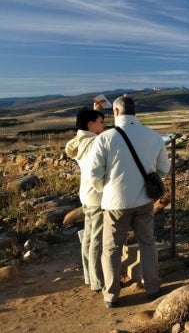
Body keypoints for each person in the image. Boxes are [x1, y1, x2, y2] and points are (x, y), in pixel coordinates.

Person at [88, 95, 170, 308]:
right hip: (144, 200)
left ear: (115, 112)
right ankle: (153, 287)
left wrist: (104, 191)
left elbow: (94, 174)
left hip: (115, 204)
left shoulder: (104, 139)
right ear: (135, 111)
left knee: (112, 249)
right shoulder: (154, 136)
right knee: (148, 243)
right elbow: (164, 169)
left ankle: (111, 295)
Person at [64, 107, 106, 293]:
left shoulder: (78, 142)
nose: (103, 125)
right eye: (101, 121)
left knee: (88, 237)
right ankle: (98, 281)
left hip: (86, 195)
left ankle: (89, 277)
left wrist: (95, 111)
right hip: (97, 195)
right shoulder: (95, 142)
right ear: (91, 124)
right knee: (97, 239)